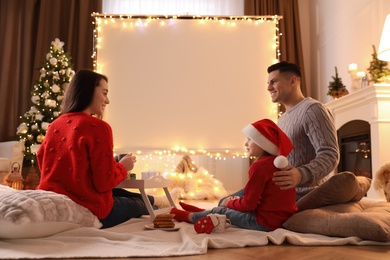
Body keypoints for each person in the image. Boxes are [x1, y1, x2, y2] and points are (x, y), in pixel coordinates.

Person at [36, 69, 177, 228]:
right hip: (92, 211)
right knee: (134, 204)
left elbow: (43, 160)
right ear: (88, 90)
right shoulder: (98, 127)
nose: (107, 100)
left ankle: (157, 200)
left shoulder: (55, 125)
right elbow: (104, 182)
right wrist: (123, 167)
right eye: (104, 93)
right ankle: (159, 203)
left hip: (57, 198)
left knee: (120, 194)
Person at [171, 119, 297, 232]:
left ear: (262, 143)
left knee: (222, 208)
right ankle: (205, 213)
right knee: (226, 201)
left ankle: (189, 216)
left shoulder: (259, 167)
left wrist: (229, 204)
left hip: (263, 223)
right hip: (281, 219)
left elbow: (249, 205)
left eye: (250, 139)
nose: (246, 144)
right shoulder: (280, 164)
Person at [267, 61, 339, 200]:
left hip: (304, 194)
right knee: (228, 202)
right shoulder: (282, 119)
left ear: (293, 81)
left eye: (274, 82)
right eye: (268, 83)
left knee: (229, 209)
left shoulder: (313, 109)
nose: (269, 88)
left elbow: (330, 154)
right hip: (281, 190)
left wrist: (300, 174)